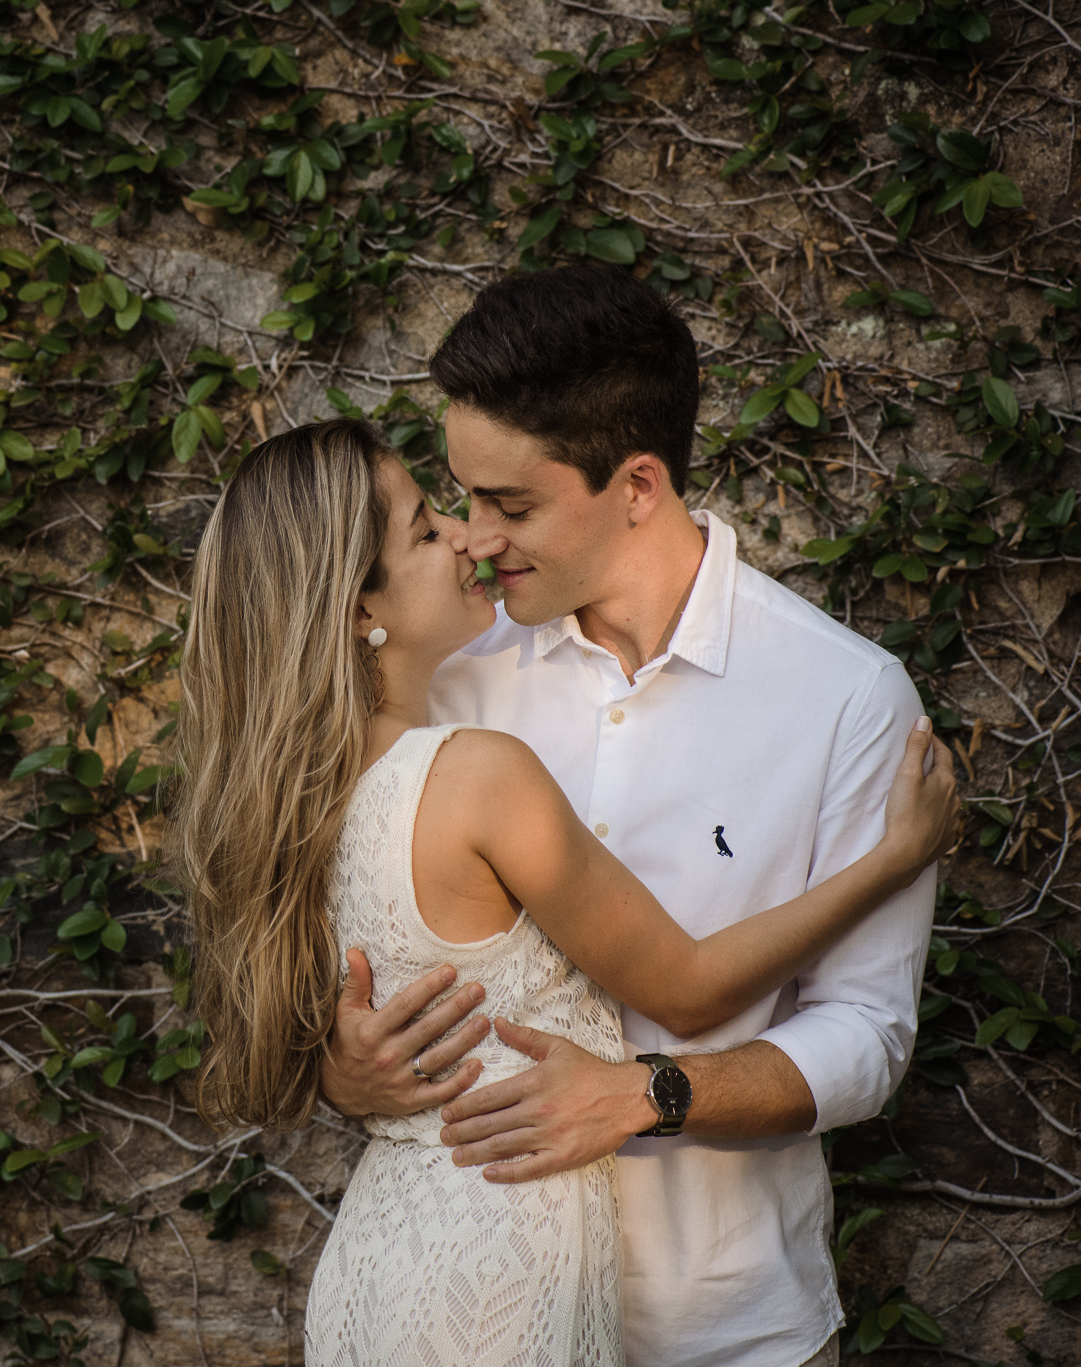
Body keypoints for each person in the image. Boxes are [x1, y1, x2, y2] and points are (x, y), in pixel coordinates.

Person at [169, 414, 955, 1365]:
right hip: (491, 1289)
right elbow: (684, 982)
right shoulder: (463, 709)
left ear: (635, 485)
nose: (472, 535)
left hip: (686, 1315)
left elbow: (867, 1032)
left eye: (507, 503)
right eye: (437, 519)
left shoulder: (843, 695)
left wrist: (642, 1095)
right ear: (353, 606)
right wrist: (347, 1072)